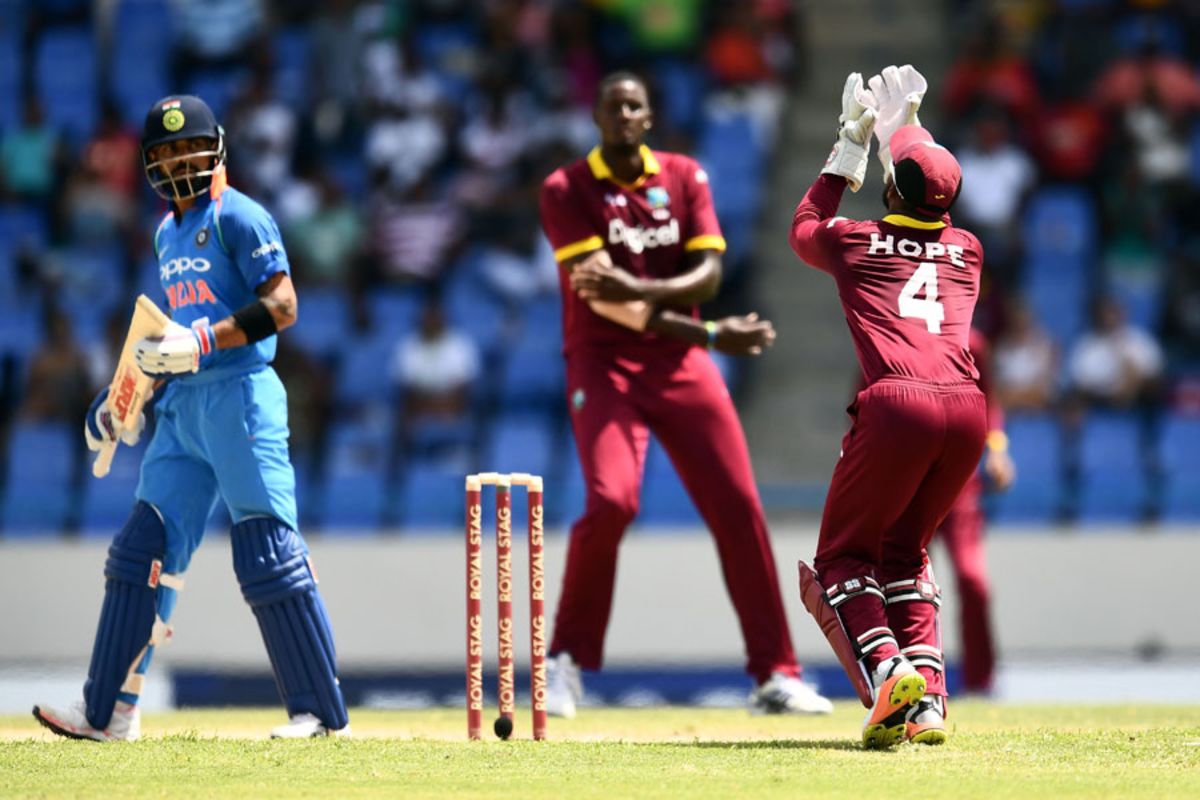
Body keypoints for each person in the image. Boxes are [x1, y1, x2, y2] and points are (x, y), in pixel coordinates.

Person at [33, 95, 350, 741]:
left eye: (191, 148)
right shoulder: (164, 233)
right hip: (183, 409)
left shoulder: (241, 216)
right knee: (141, 551)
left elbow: (283, 306)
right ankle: (109, 714)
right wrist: (124, 395)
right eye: (168, 152)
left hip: (240, 397)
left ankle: (321, 716)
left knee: (266, 553)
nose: (180, 161)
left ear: (218, 149)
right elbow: (171, 333)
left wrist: (203, 341)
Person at [538, 71, 832, 718]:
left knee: (739, 507)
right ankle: (565, 662)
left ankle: (776, 675)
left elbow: (709, 273)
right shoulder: (566, 188)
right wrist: (709, 331)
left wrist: (643, 290)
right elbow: (604, 303)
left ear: (649, 117)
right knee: (612, 502)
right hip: (605, 363)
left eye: (634, 106)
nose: (624, 115)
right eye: (613, 106)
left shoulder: (684, 175)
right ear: (596, 116)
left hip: (680, 364)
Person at [788, 65, 987, 748]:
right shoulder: (968, 251)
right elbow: (929, 199)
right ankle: (926, 702)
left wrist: (850, 145)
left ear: (890, 188)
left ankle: (886, 667)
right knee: (905, 553)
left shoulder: (854, 241)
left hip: (899, 404)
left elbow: (805, 225)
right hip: (967, 411)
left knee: (844, 557)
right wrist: (909, 135)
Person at [934, 329, 1014, 697]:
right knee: (903, 586)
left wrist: (997, 449)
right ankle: (909, 681)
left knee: (973, 582)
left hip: (959, 487)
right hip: (906, 481)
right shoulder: (891, 331)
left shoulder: (973, 342)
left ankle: (982, 683)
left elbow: (989, 404)